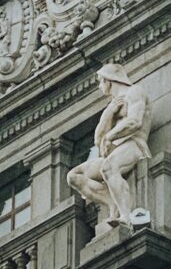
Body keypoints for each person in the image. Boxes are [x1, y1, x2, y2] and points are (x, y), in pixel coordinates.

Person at [66, 63, 152, 227]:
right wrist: (108, 114)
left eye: (100, 81)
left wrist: (110, 136)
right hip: (116, 151)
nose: (100, 86)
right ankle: (112, 201)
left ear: (109, 81)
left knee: (108, 167)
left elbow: (134, 122)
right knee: (74, 176)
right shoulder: (112, 105)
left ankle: (126, 216)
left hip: (135, 145)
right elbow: (98, 139)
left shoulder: (135, 92)